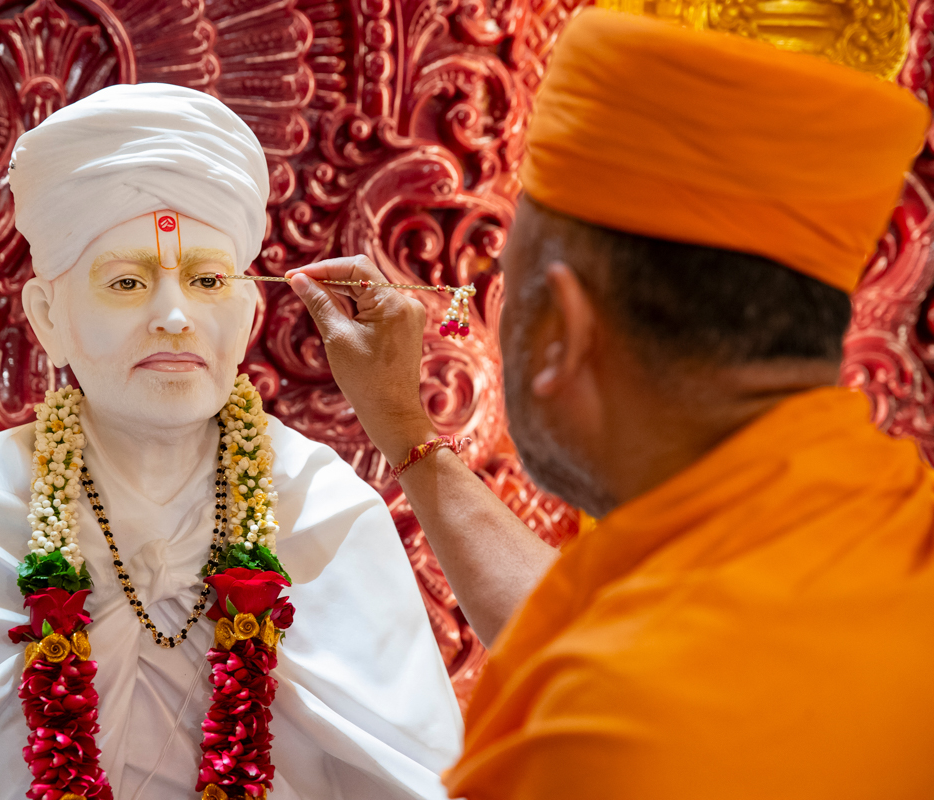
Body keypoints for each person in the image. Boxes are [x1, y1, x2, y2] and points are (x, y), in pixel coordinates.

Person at [288, 8, 934, 799]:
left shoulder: (594, 746)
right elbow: (586, 620)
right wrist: (407, 432)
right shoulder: (881, 522)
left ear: (562, 324)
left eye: (505, 285)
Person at [0, 84, 462, 800]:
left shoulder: (323, 510)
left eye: (208, 279)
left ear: (247, 313)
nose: (175, 316)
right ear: (49, 317)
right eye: (125, 282)